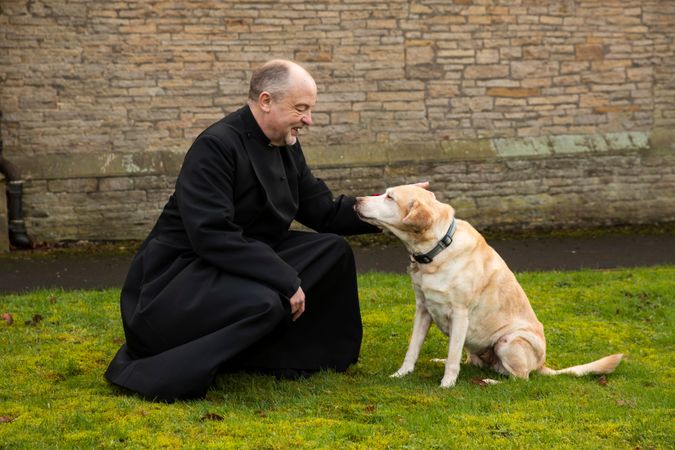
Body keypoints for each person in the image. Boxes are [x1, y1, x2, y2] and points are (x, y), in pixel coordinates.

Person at [105, 59, 379, 401]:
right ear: (266, 101)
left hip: (233, 261)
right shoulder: (216, 146)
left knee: (332, 251)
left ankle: (300, 357)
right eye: (301, 108)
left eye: (310, 109)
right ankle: (217, 360)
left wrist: (390, 209)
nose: (308, 119)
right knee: (267, 300)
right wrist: (284, 277)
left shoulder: (286, 145)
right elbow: (212, 234)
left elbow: (323, 211)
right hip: (177, 279)